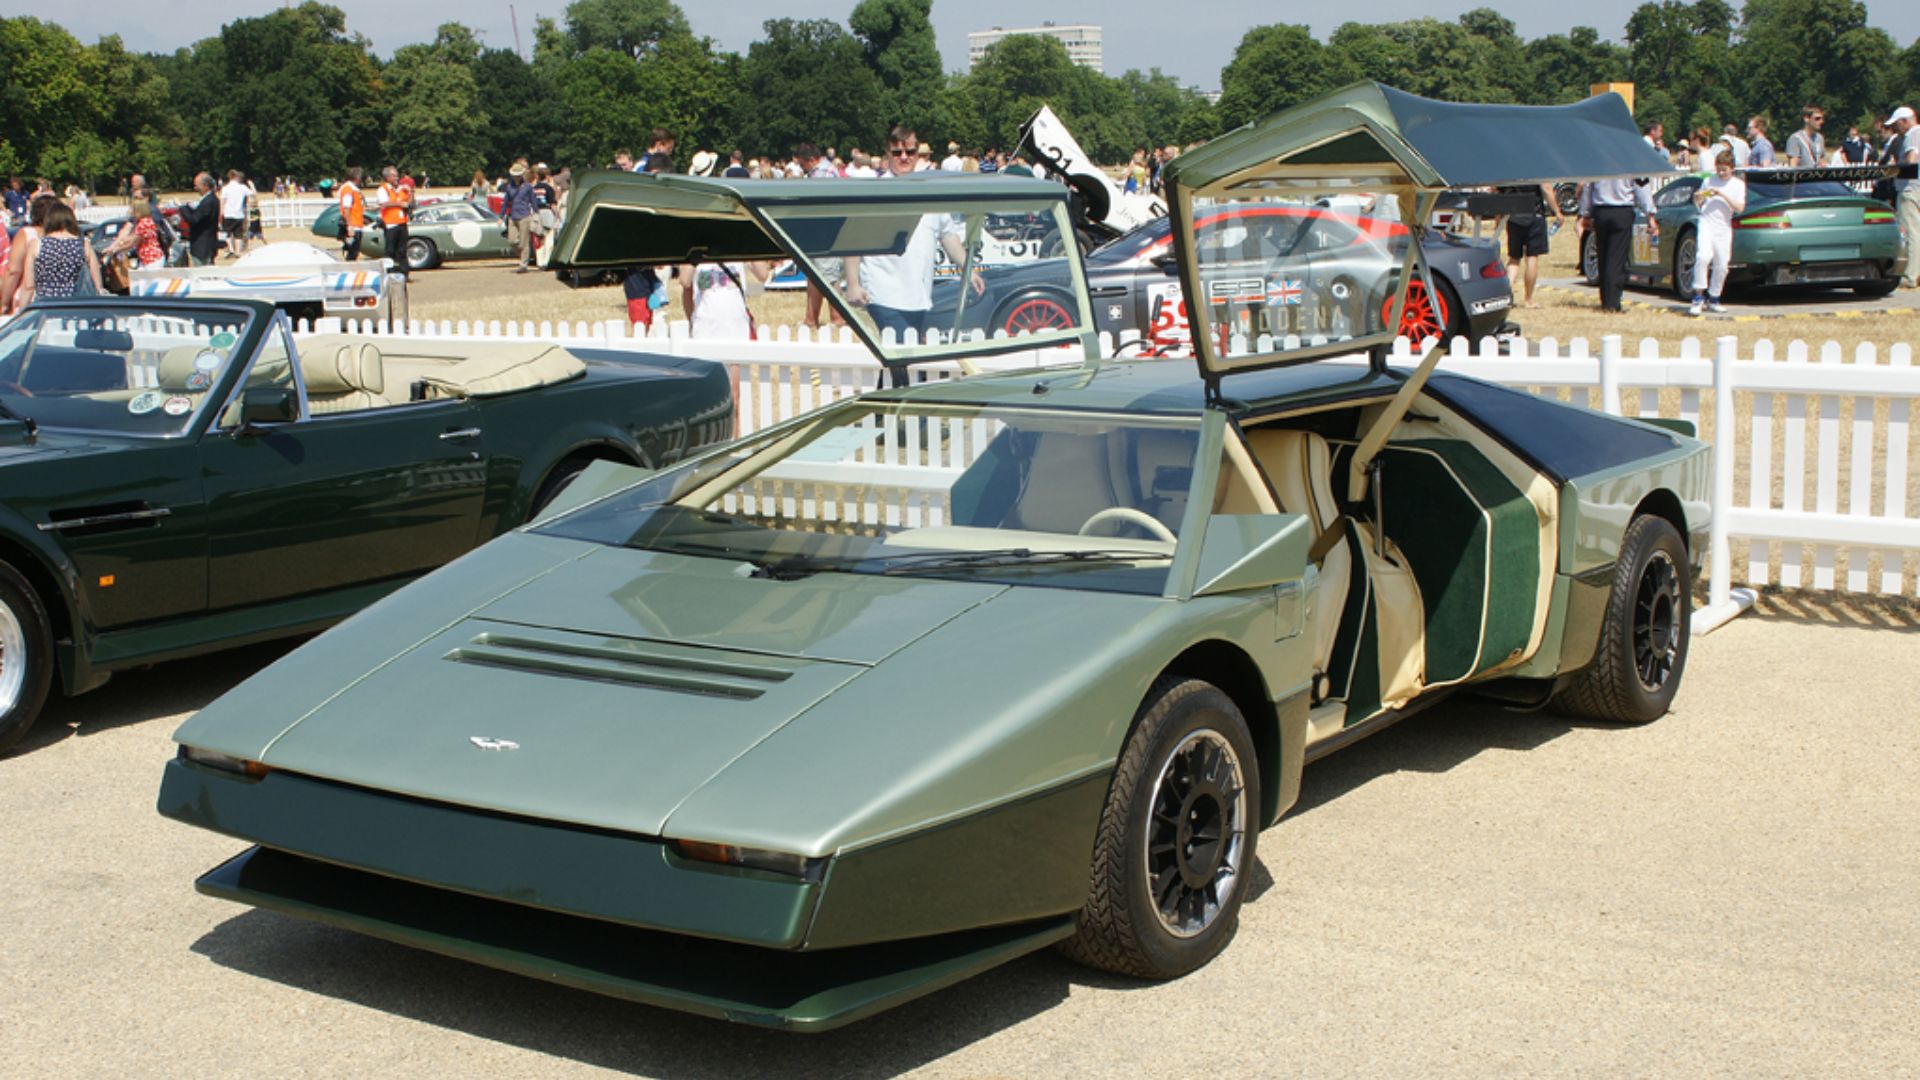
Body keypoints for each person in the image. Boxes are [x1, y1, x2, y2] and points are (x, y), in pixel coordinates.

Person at [842, 126, 986, 379]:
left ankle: (885, 403)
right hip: (883, 293)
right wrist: (853, 284)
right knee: (905, 364)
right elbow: (854, 239)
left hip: (919, 296)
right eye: (897, 152)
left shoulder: (929, 191)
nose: (904, 157)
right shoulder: (875, 192)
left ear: (917, 154)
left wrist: (968, 269)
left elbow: (948, 236)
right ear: (887, 153)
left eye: (910, 152)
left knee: (903, 366)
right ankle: (905, 405)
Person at [1579, 174, 1657, 313]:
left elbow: (1587, 187)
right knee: (1616, 259)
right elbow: (1642, 187)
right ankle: (1613, 303)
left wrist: (1585, 213)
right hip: (1622, 210)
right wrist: (1650, 215)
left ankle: (1605, 299)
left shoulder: (1597, 164)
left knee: (1603, 257)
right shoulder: (1631, 164)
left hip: (1601, 210)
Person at [1687, 150, 1746, 315]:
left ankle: (1714, 297)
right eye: (1718, 169)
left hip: (1723, 227)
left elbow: (1740, 208)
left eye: (1724, 170)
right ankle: (1698, 296)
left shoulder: (1738, 185)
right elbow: (1699, 201)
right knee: (1702, 257)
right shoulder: (1708, 181)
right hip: (1706, 222)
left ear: (1732, 168)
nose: (1720, 173)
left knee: (1722, 265)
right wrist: (1699, 197)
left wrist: (1722, 194)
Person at [1499, 181, 1564, 308]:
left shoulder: (1510, 171)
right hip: (1534, 215)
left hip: (1514, 216)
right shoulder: (1536, 170)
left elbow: (1500, 190)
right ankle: (1528, 299)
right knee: (1532, 257)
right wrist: (1557, 211)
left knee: (1514, 259)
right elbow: (1546, 187)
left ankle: (1506, 296)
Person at [21, 200, 102, 302]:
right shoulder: (83, 244)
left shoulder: (37, 245)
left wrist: (22, 309)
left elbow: (29, 286)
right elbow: (97, 283)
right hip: (77, 304)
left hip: (45, 305)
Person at [681, 257, 771, 338]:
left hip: (737, 326)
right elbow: (685, 281)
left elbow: (763, 275)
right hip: (704, 327)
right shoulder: (697, 252)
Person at [1, 195, 54, 314]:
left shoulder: (27, 234)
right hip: (62, 301)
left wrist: (4, 302)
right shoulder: (67, 238)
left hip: (28, 301)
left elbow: (13, 271)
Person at [1888, 106, 1919, 289]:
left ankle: (1910, 275)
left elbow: (1912, 159)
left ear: (1905, 121)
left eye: (1897, 124)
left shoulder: (1912, 134)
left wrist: (1899, 166)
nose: (1895, 128)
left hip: (1910, 189)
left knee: (1911, 232)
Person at [499, 163, 538, 272]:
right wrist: (501, 216)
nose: (516, 177)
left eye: (518, 175)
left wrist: (536, 213)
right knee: (512, 241)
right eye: (514, 175)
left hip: (524, 215)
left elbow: (533, 200)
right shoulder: (509, 187)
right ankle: (523, 257)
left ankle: (523, 264)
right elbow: (505, 203)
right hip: (512, 216)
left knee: (524, 242)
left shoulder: (528, 186)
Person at [376, 166, 413, 271]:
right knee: (390, 251)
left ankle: (404, 273)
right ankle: (389, 272)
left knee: (402, 251)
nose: (397, 178)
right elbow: (384, 203)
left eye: (397, 176)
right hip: (390, 224)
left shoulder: (401, 189)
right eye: (394, 176)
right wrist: (399, 204)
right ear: (387, 177)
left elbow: (409, 203)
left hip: (402, 222)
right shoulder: (383, 189)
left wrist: (410, 192)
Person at [180, 172, 222, 266]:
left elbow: (194, 220)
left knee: (202, 271)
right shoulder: (210, 199)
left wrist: (182, 208)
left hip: (203, 246)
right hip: (205, 245)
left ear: (205, 186)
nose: (195, 188)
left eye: (197, 186)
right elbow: (199, 215)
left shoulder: (208, 201)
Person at [337, 166, 368, 260]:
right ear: (357, 177)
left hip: (356, 224)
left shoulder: (353, 189)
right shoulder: (348, 189)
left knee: (354, 252)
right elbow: (346, 207)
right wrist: (349, 226)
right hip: (353, 226)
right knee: (352, 253)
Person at [218, 170, 249, 259]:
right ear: (237, 177)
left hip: (228, 213)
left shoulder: (225, 188)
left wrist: (220, 214)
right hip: (239, 214)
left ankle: (231, 250)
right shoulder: (242, 187)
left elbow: (222, 202)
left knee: (227, 233)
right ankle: (238, 252)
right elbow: (252, 193)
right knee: (238, 235)